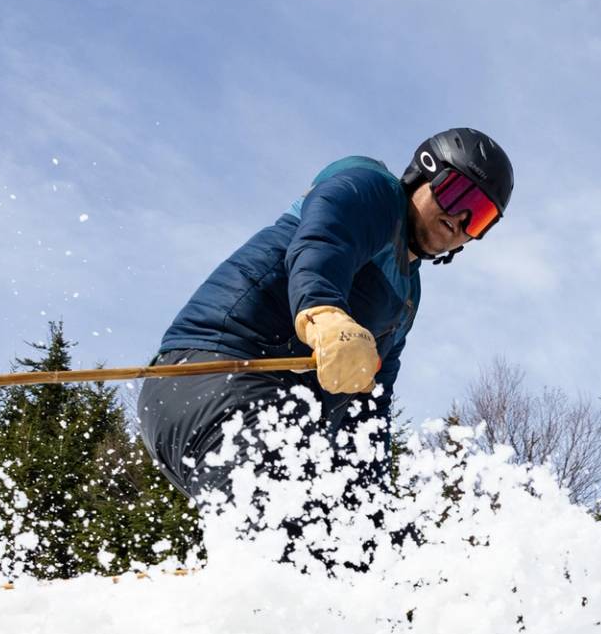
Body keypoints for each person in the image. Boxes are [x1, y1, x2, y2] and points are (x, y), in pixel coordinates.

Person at [138, 128, 513, 563]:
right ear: (423, 173)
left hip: (277, 421)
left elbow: (368, 409)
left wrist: (374, 514)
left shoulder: (407, 295)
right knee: (288, 530)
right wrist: (324, 313)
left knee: (371, 553)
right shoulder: (371, 189)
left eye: (479, 217)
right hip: (210, 376)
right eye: (457, 194)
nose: (460, 219)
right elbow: (324, 241)